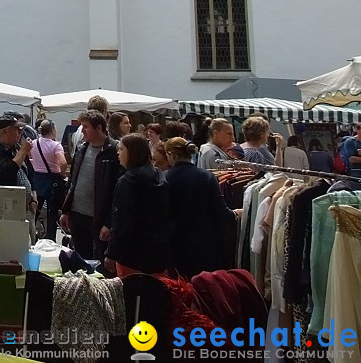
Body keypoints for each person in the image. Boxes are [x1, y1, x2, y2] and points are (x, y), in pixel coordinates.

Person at [163, 137, 239, 278]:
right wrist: (236, 214)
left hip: (176, 245)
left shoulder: (165, 178)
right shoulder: (206, 177)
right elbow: (220, 212)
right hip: (206, 245)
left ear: (171, 154)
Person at [105, 134, 170, 277]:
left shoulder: (128, 181)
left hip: (132, 254)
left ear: (132, 152)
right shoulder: (159, 175)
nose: (118, 153)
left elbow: (122, 220)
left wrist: (112, 253)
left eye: (121, 149)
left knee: (132, 295)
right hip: (158, 252)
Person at [60, 110, 121, 262]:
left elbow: (117, 192)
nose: (82, 130)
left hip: (98, 218)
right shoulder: (82, 148)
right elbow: (72, 181)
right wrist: (66, 211)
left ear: (99, 128)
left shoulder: (114, 151)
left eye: (86, 126)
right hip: (77, 214)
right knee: (81, 260)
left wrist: (109, 223)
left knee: (101, 262)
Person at [0, 116, 34, 213]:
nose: (20, 133)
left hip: (24, 207)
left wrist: (33, 199)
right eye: (16, 129)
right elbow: (7, 173)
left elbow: (30, 173)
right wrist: (23, 151)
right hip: (5, 207)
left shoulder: (16, 149)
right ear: (5, 131)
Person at [29, 119, 68, 241]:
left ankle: (30, 235)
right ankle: (51, 238)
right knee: (52, 212)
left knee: (35, 210)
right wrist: (62, 174)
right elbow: (63, 162)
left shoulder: (34, 143)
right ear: (52, 130)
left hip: (38, 178)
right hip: (52, 179)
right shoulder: (56, 145)